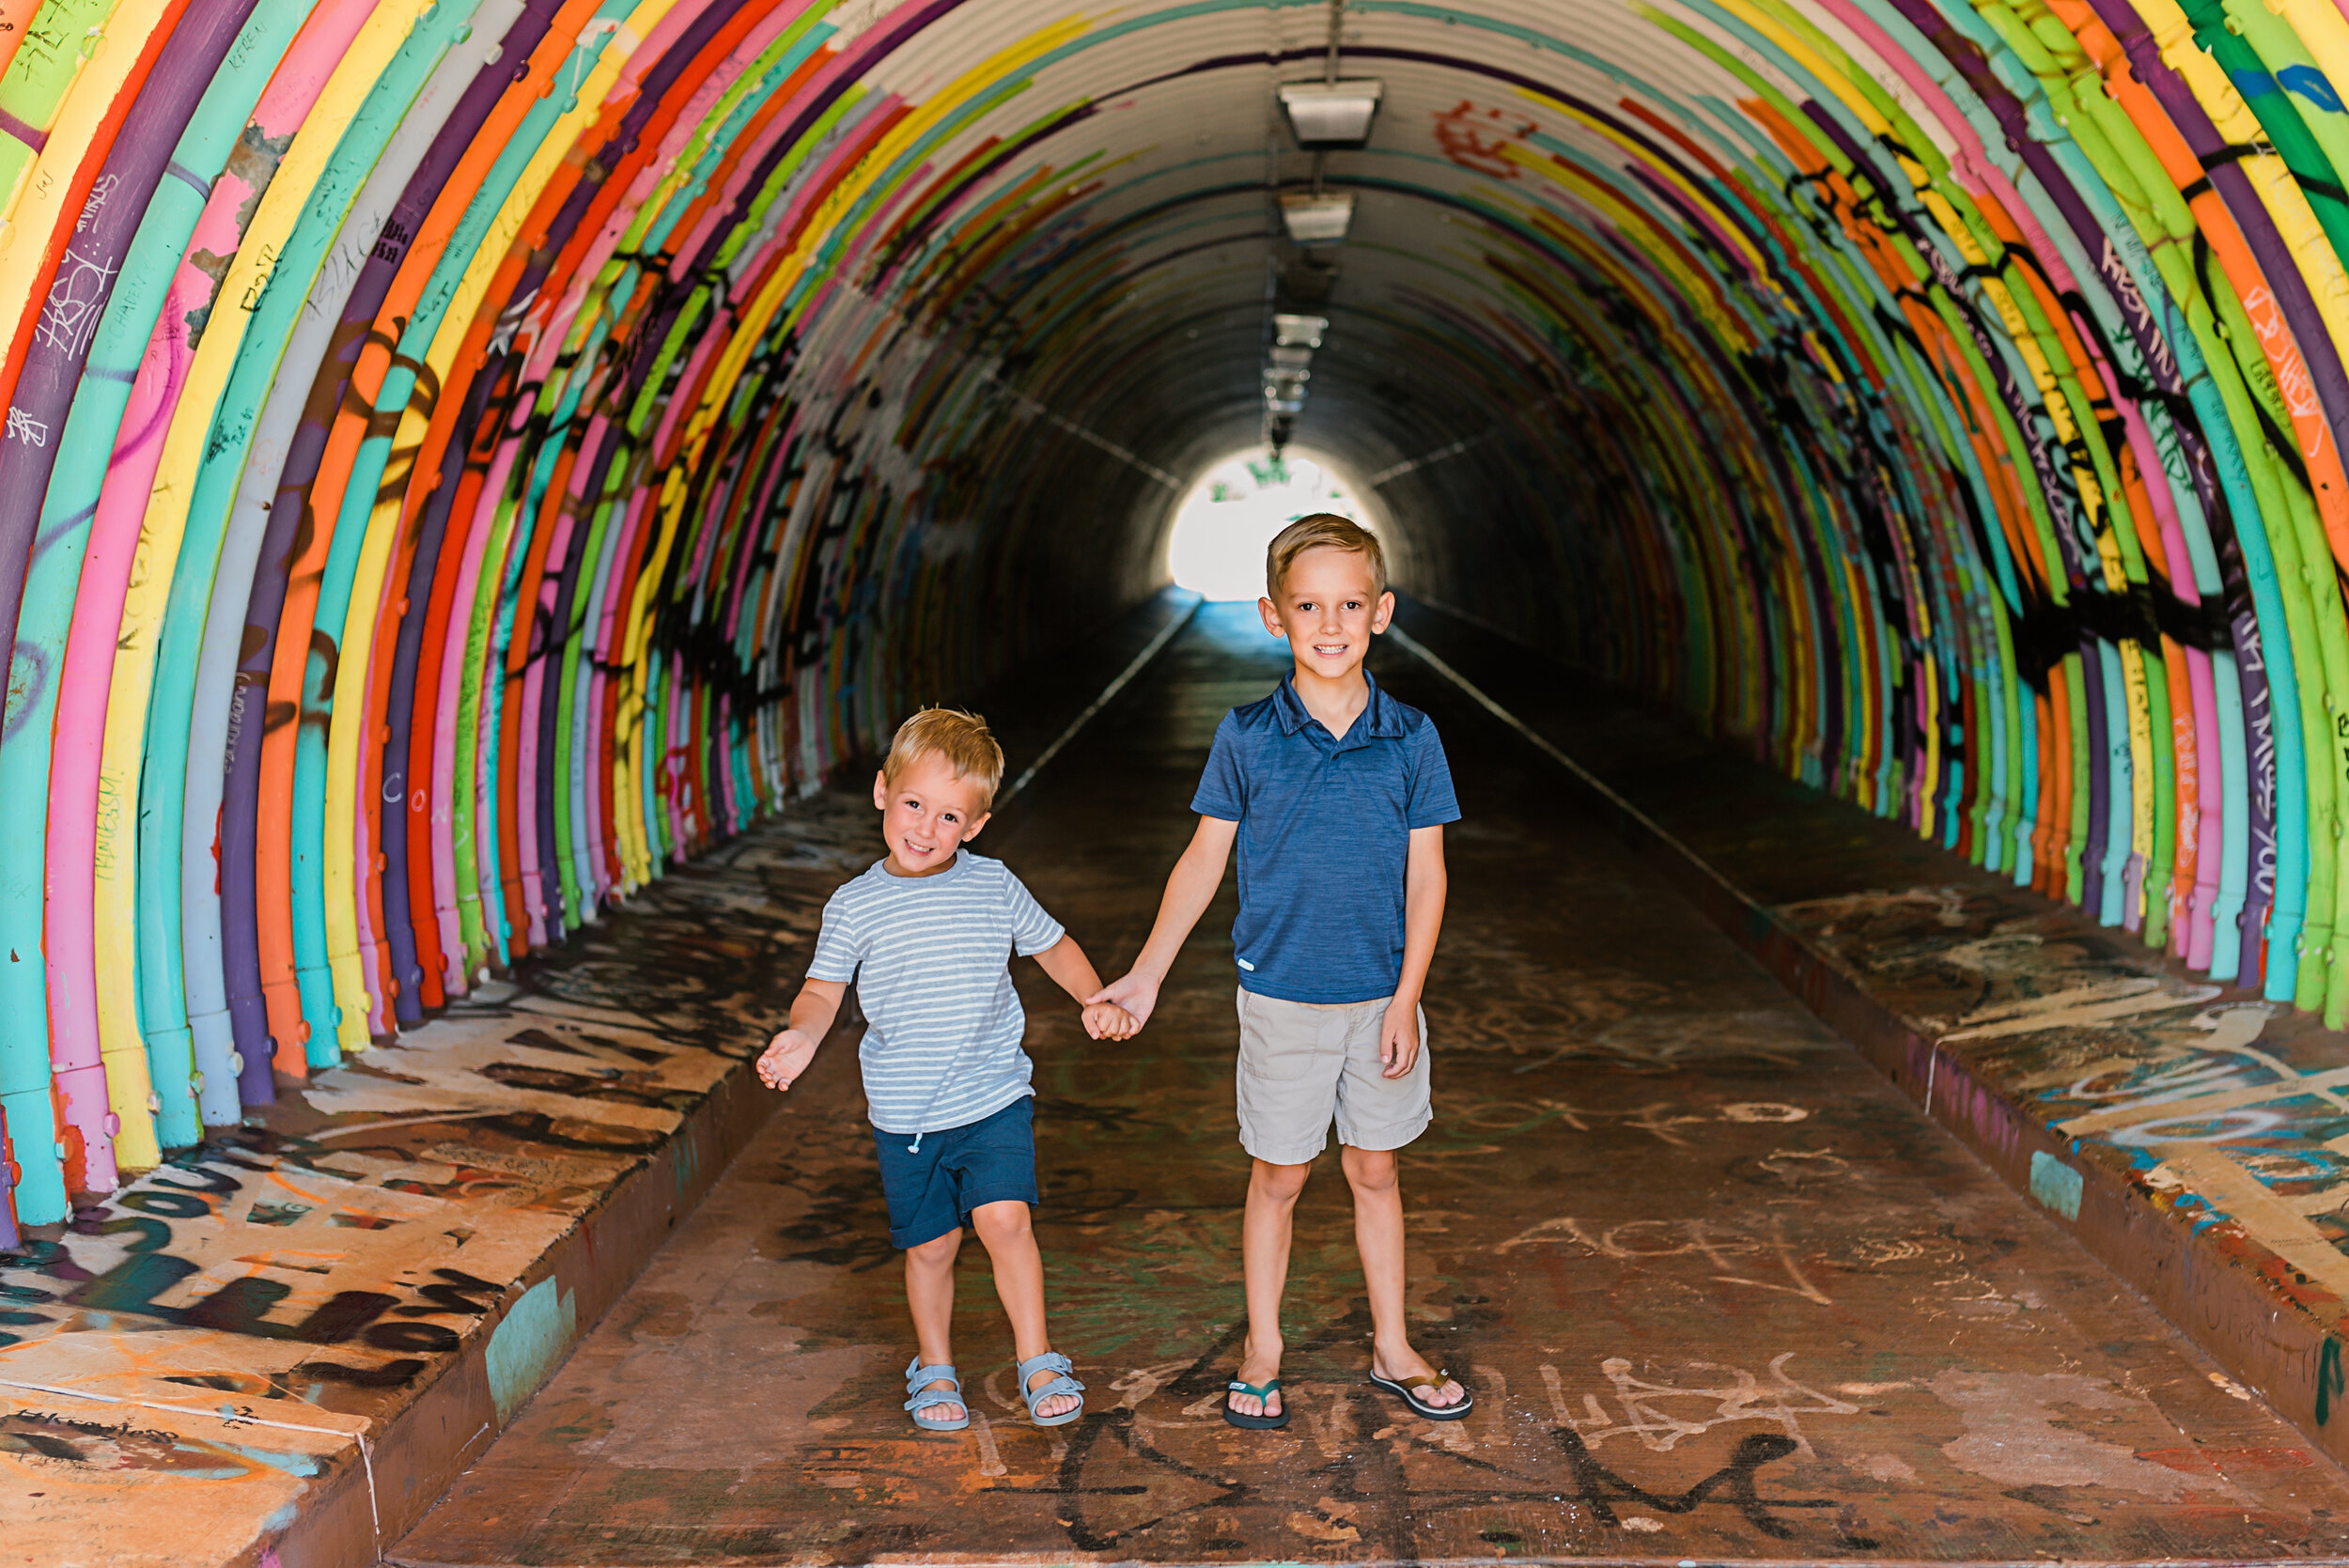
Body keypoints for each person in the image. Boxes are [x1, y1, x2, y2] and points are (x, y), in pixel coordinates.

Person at [1091, 513, 1471, 1430]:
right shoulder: (1248, 736)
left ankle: (1391, 1344)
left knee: (1374, 1169)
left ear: (1381, 611)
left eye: (1348, 603)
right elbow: (1201, 859)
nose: (1329, 623)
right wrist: (1144, 974)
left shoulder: (1411, 736)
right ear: (1272, 614)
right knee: (1280, 1176)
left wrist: (1409, 999)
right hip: (1279, 1000)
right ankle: (1263, 1344)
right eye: (1308, 604)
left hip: (1381, 996)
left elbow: (1429, 874)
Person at [759, 706, 1137, 1433]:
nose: (926, 828)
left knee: (1005, 1219)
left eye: (949, 816)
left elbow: (1052, 945)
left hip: (992, 1095)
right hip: (906, 1114)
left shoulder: (993, 885)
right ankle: (934, 1366)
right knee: (932, 1245)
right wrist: (801, 1038)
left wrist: (1092, 995)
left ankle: (1037, 1356)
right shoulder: (856, 905)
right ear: (881, 792)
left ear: (977, 825)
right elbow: (821, 992)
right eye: (913, 804)